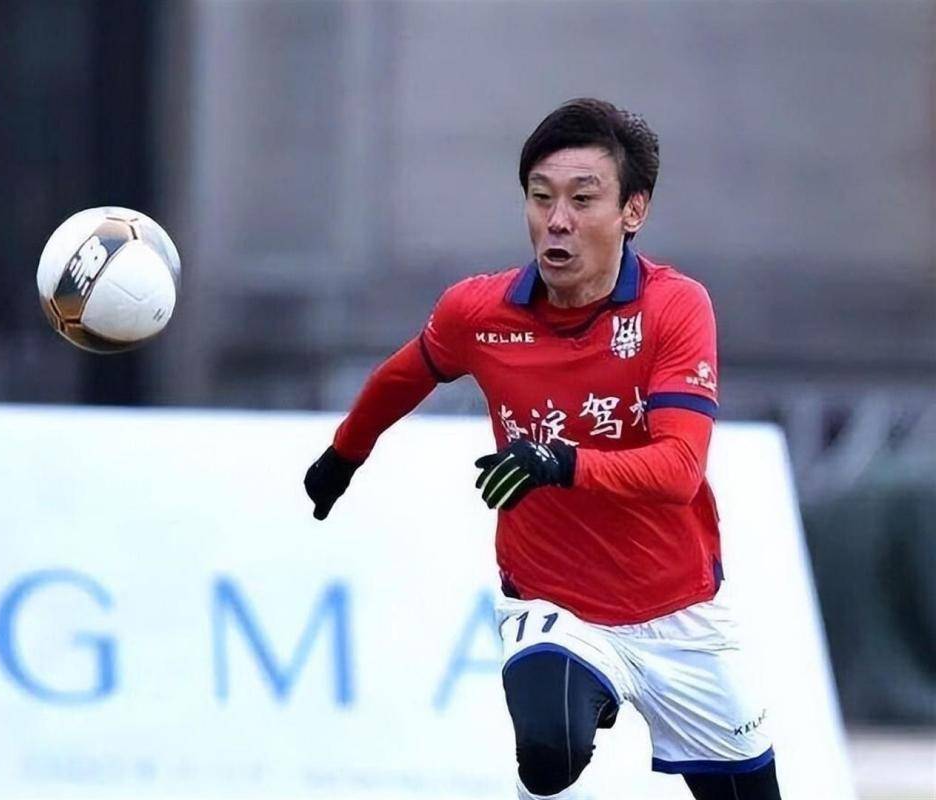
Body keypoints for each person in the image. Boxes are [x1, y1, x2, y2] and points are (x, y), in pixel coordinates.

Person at [304, 98, 781, 800]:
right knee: (549, 747)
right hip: (554, 603)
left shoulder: (675, 308)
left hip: (680, 613)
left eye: (582, 199)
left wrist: (558, 463)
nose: (557, 220)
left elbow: (680, 470)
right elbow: (403, 377)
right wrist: (344, 456)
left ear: (633, 210)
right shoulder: (478, 312)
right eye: (540, 197)